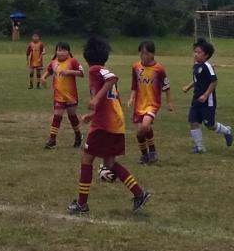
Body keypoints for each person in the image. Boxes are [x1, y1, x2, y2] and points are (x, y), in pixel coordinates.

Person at [67, 37, 152, 214]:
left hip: (104, 125)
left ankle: (82, 204)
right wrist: (93, 114)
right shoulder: (101, 71)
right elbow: (111, 100)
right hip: (115, 123)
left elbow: (112, 78)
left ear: (87, 56)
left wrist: (96, 99)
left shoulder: (95, 70)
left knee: (87, 159)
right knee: (109, 162)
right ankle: (139, 193)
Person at [182, 38, 233, 154]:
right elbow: (197, 80)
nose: (195, 54)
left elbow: (214, 82)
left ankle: (227, 131)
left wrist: (205, 95)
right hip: (196, 98)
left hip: (207, 100)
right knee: (193, 121)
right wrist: (188, 87)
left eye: (199, 52)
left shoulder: (207, 66)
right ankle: (199, 147)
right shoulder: (196, 65)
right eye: (195, 51)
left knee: (209, 124)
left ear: (206, 55)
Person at [129, 40, 172, 164]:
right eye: (141, 53)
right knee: (140, 132)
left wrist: (169, 102)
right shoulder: (136, 67)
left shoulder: (159, 69)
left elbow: (166, 86)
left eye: (146, 53)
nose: (143, 56)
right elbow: (134, 85)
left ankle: (152, 151)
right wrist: (132, 98)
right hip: (139, 104)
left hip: (153, 104)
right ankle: (145, 155)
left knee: (145, 126)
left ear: (153, 54)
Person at [40, 42, 84, 149]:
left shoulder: (73, 61)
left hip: (71, 96)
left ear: (69, 52)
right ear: (56, 52)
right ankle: (52, 140)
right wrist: (43, 77)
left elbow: (81, 73)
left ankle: (78, 135)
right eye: (59, 50)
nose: (62, 53)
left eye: (64, 50)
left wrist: (69, 72)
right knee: (57, 116)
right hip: (58, 95)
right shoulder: (54, 62)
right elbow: (49, 70)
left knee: (72, 116)